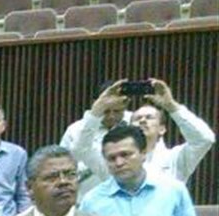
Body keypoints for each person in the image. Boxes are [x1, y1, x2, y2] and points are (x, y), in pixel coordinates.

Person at [65, 79, 213, 187]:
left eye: (149, 117)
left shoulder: (175, 158)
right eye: (137, 118)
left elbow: (204, 139)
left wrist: (171, 106)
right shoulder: (117, 163)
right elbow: (80, 148)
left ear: (162, 128)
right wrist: (98, 109)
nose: (142, 121)